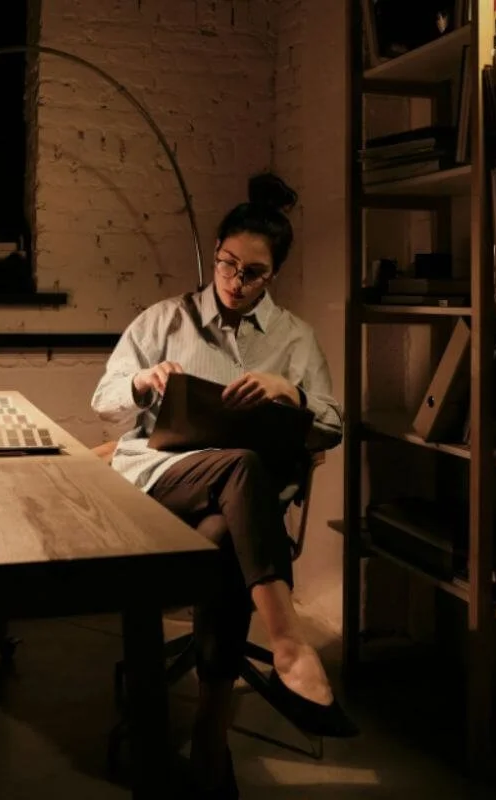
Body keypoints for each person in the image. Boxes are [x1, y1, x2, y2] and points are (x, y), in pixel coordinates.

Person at [91, 172, 356, 798]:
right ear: (215, 254)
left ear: (274, 275)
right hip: (167, 479)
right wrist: (143, 381)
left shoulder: (293, 338)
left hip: (241, 509)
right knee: (241, 465)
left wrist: (288, 391)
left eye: (253, 273)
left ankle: (210, 724)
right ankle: (286, 647)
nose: (235, 282)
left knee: (230, 528)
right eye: (227, 264)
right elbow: (103, 400)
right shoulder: (165, 319)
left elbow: (334, 425)